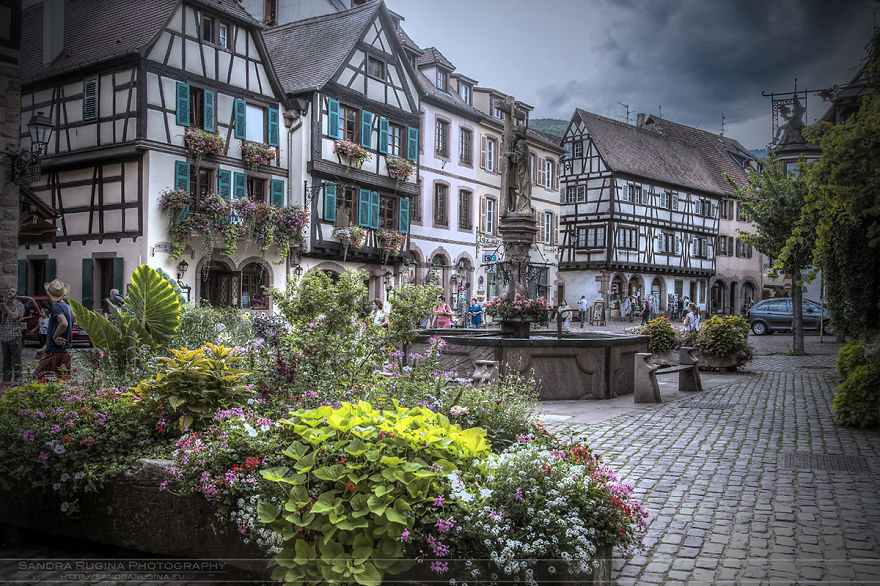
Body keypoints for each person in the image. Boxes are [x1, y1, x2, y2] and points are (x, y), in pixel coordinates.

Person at [34, 279, 74, 379]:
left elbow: (63, 323)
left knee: (37, 378)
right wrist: (44, 349)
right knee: (61, 382)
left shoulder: (56, 307)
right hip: (65, 351)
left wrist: (55, 336)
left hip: (55, 352)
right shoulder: (68, 307)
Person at [0, 287, 25, 383]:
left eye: (12, 291)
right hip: (4, 336)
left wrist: (4, 307)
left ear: (16, 295)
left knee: (16, 360)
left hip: (14, 335)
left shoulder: (19, 305)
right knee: (6, 361)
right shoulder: (4, 305)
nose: (10, 292)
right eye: (9, 291)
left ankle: (17, 380)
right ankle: (6, 381)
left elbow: (15, 316)